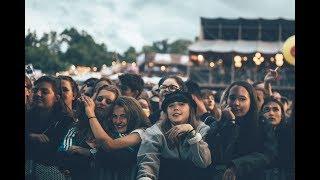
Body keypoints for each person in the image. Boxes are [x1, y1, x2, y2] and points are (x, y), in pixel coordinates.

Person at [205, 81, 278, 180]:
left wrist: (237, 166)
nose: (236, 103)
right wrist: (230, 123)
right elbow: (217, 155)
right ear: (227, 100)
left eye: (242, 99)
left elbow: (269, 155)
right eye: (232, 98)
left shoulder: (263, 124)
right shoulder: (218, 124)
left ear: (251, 101)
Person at [136, 90, 212, 180]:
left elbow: (204, 163)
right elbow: (148, 159)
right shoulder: (155, 132)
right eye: (171, 105)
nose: (176, 108)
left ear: (190, 109)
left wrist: (192, 134)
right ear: (166, 112)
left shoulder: (203, 129)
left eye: (181, 104)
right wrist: (146, 177)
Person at [56, 85, 121, 180]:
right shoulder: (78, 127)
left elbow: (113, 158)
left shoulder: (116, 130)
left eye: (108, 102)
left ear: (114, 107)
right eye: (99, 99)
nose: (102, 103)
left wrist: (88, 152)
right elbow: (65, 152)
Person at [82, 95, 151, 180]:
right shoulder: (114, 133)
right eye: (114, 116)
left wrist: (91, 114)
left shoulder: (142, 132)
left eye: (123, 116)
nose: (118, 121)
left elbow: (109, 145)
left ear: (134, 116)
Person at [25, 76, 76, 180]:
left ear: (56, 97)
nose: (38, 94)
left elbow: (58, 153)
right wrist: (30, 136)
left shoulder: (66, 121)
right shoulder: (27, 116)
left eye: (44, 92)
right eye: (35, 90)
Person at [260, 97, 295, 180]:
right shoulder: (256, 134)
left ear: (282, 115)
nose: (271, 113)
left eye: (275, 110)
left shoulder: (290, 133)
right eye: (267, 110)